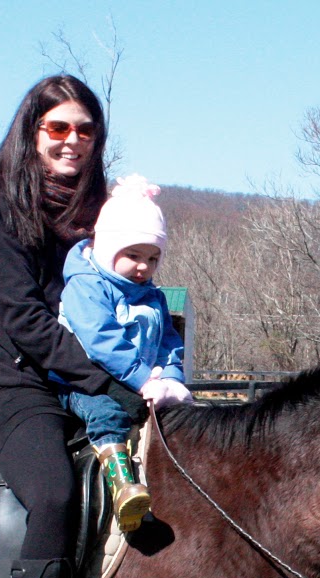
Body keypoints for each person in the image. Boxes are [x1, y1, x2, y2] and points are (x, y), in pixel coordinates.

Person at [0, 75, 164, 578]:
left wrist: (162, 361)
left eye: (84, 129)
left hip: (101, 374)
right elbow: (23, 322)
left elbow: (141, 279)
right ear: (33, 133)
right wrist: (106, 382)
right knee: (50, 492)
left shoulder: (106, 208)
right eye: (58, 129)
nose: (72, 140)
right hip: (16, 383)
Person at [57, 173, 192, 532]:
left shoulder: (153, 295)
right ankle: (121, 486)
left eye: (152, 257)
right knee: (106, 413)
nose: (143, 266)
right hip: (82, 382)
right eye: (132, 255)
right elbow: (101, 341)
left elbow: (167, 341)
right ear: (107, 248)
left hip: (139, 381)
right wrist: (143, 378)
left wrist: (172, 377)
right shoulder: (86, 287)